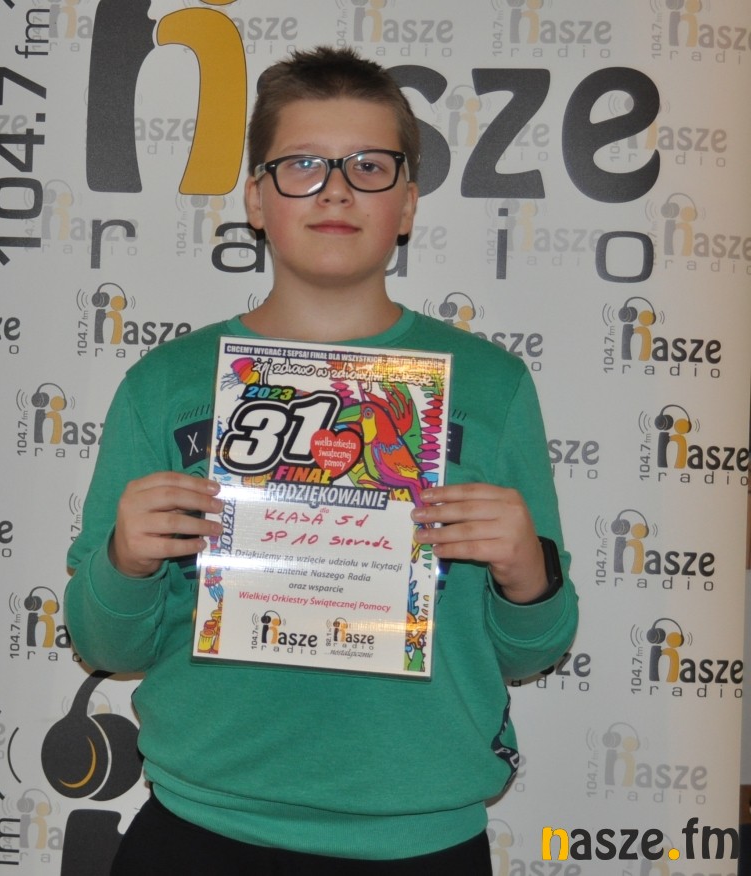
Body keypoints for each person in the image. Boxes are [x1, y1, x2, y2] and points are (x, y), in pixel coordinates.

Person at [65, 46, 578, 875]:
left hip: (421, 837)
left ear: (406, 203)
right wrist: (123, 563)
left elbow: (531, 651)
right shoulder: (165, 387)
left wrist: (530, 576)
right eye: (303, 164)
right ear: (256, 199)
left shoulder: (491, 388)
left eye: (369, 166)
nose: (336, 189)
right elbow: (104, 643)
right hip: (200, 826)